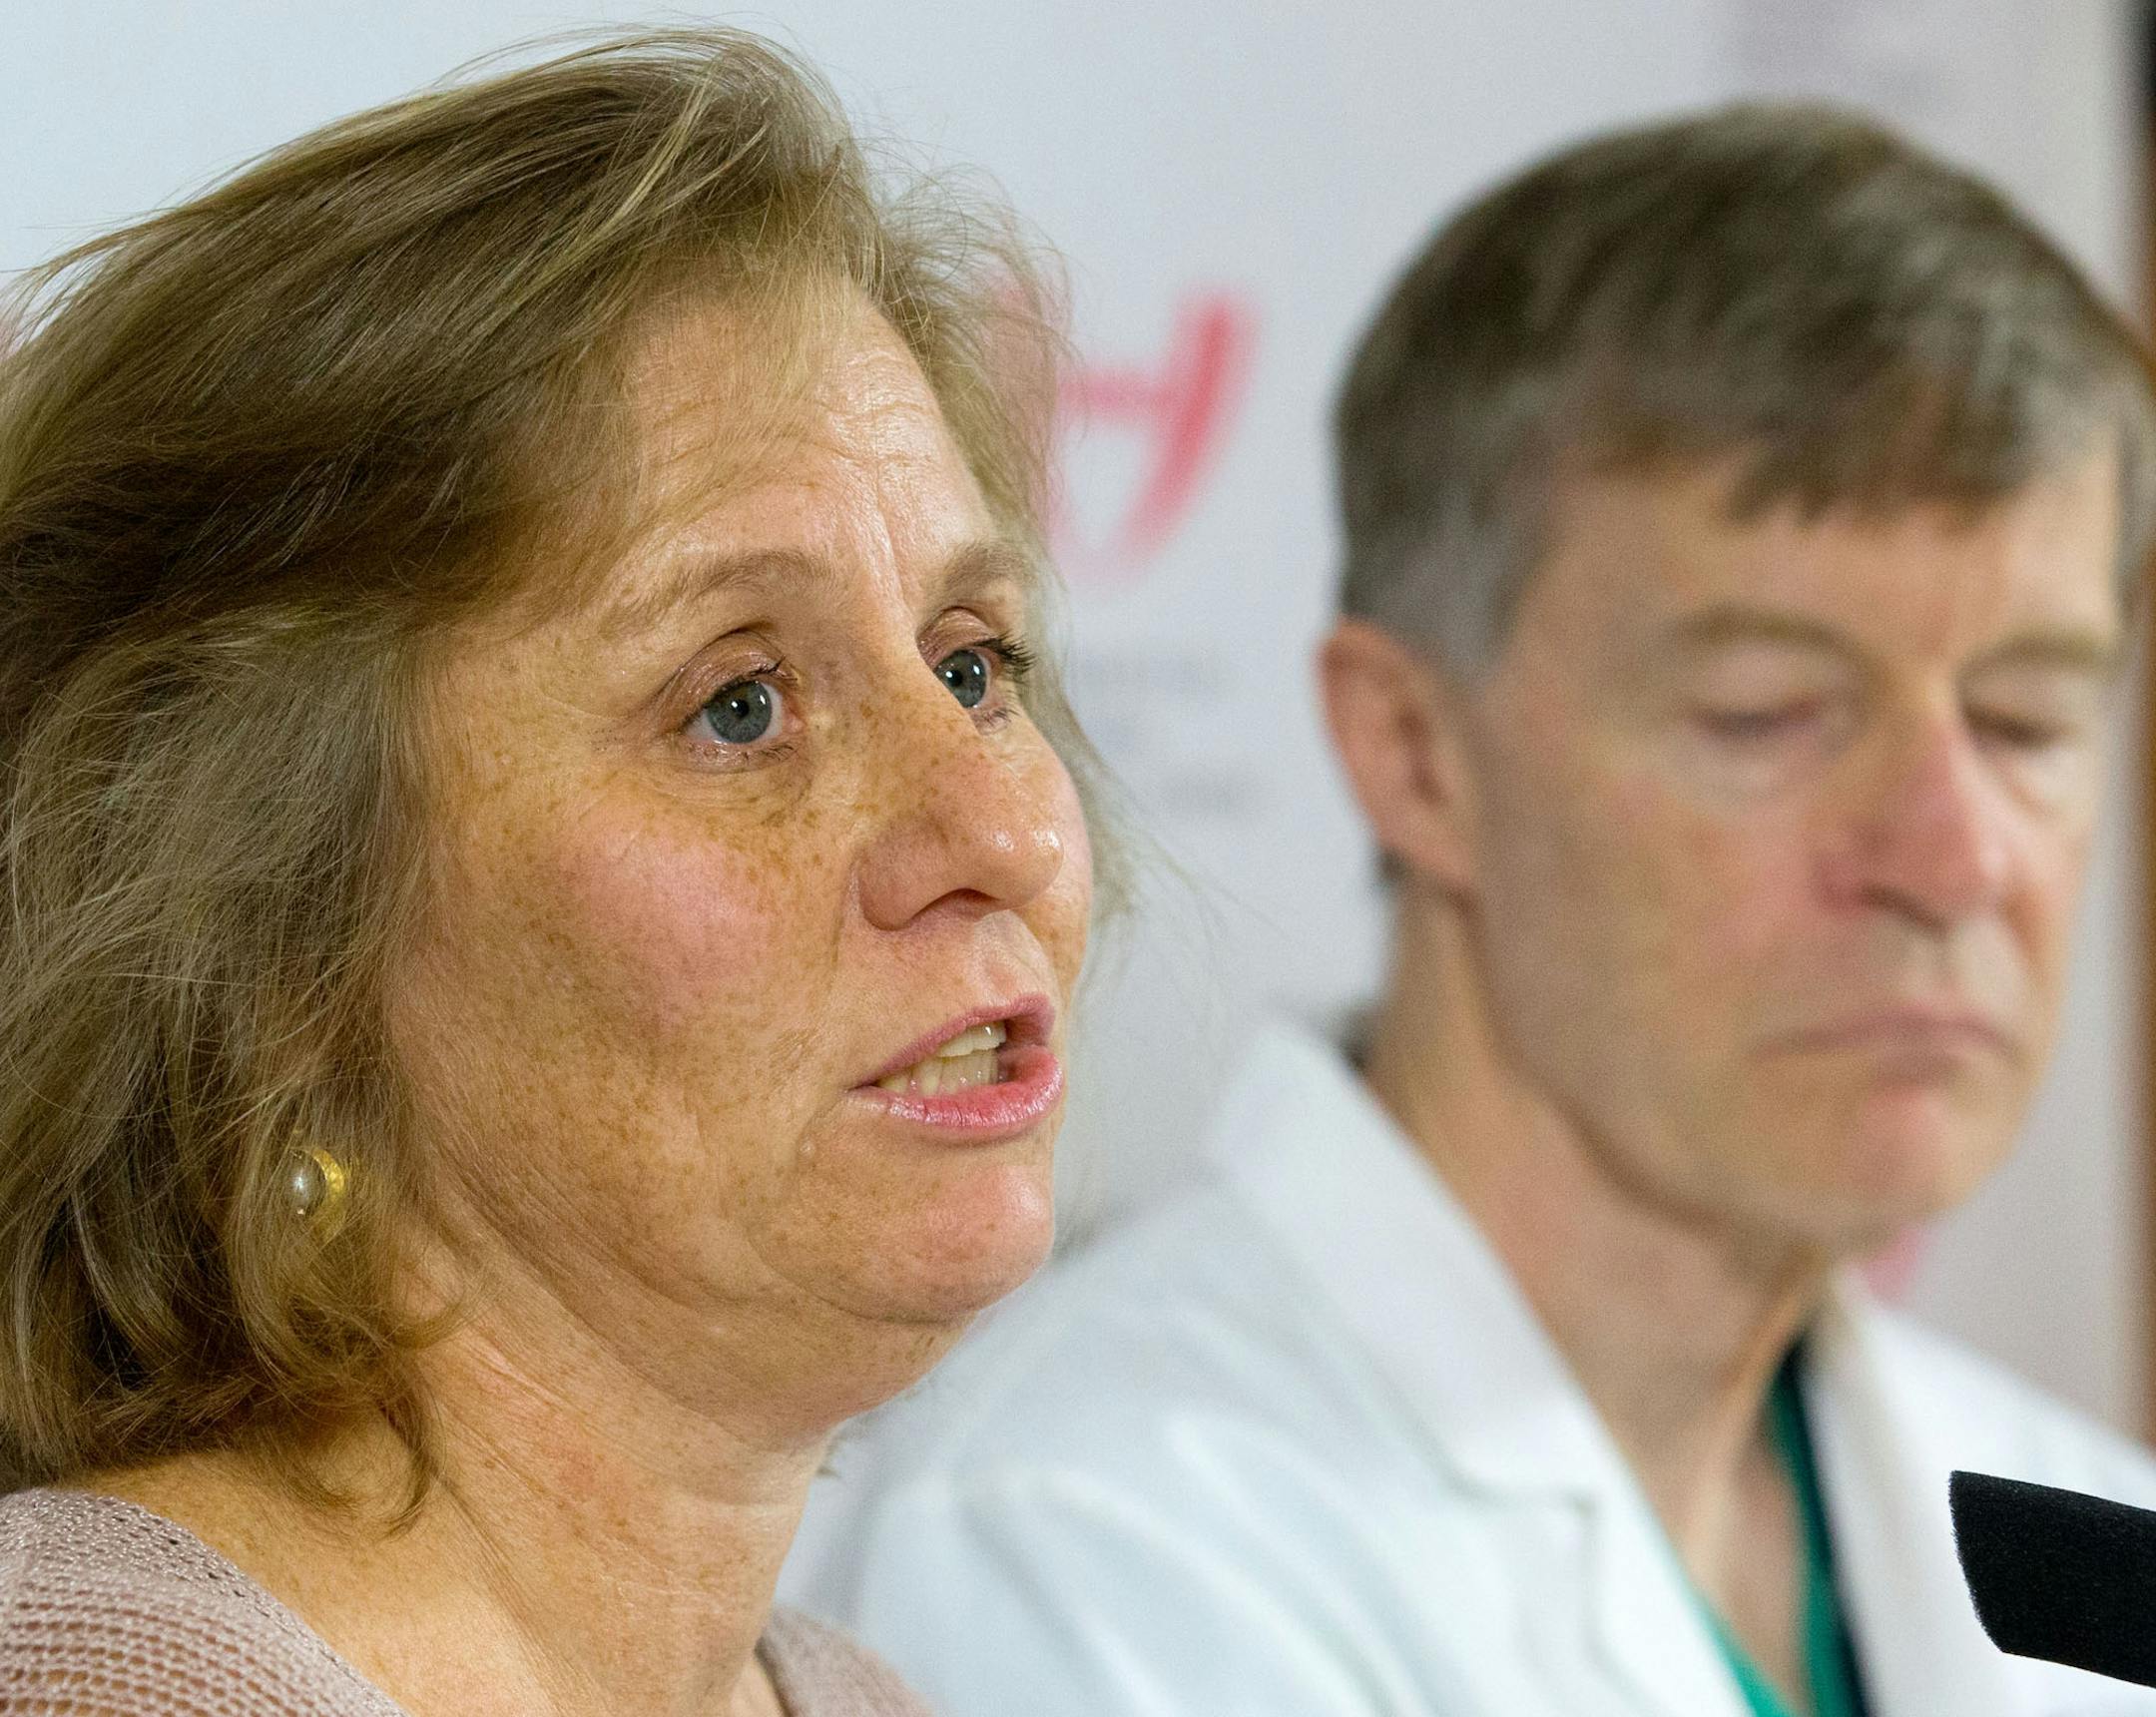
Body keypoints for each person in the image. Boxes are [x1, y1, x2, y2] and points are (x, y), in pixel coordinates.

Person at [796, 107, 2156, 1715]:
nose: (1952, 858)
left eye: (2025, 722)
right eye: (1768, 713)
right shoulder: (1091, 1549)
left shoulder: (2080, 1520)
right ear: (1415, 756)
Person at [0, 28, 1106, 1717]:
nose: (1005, 834)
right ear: (283, 948)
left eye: (972, 665)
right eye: (741, 707)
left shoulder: (851, 1696)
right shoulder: (109, 1687)